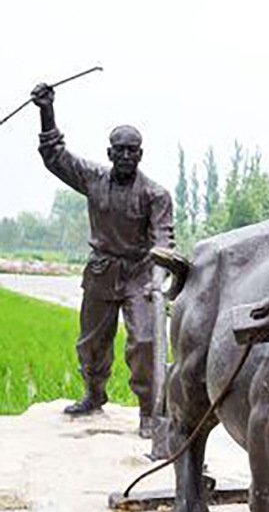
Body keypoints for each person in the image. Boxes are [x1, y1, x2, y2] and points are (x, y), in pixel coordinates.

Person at [31, 83, 174, 438]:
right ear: (110, 152)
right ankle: (94, 395)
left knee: (144, 340)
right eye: (120, 150)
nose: (126, 156)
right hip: (100, 271)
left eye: (133, 151)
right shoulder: (93, 179)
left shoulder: (156, 194)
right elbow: (56, 157)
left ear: (141, 155)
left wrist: (160, 277)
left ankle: (148, 411)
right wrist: (46, 111)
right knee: (92, 341)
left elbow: (164, 239)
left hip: (140, 274)